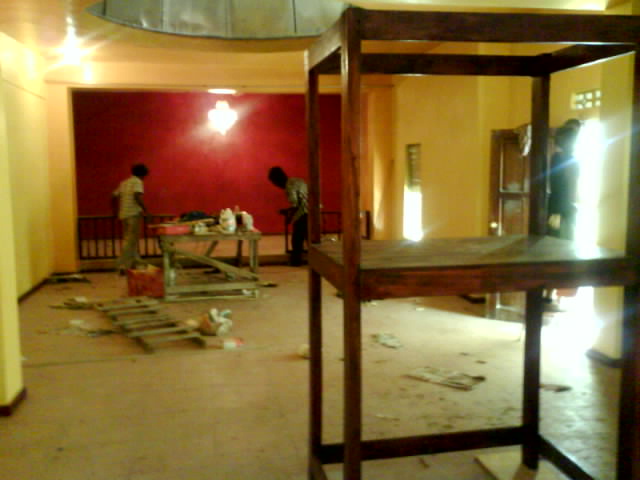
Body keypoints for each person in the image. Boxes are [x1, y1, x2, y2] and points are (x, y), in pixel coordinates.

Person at [112, 163, 150, 274]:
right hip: (133, 214)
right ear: (142, 174)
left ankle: (135, 263)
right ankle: (122, 265)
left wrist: (114, 211)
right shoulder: (137, 182)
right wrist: (146, 211)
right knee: (130, 241)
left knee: (130, 240)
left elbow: (113, 196)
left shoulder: (124, 183)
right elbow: (137, 196)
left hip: (124, 214)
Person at [268, 166, 308, 266]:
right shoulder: (297, 180)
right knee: (309, 238)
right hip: (313, 210)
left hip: (304, 213)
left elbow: (295, 205)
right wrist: (287, 211)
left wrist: (289, 218)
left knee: (297, 239)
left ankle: (296, 262)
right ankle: (315, 261)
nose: (276, 185)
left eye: (274, 183)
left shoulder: (289, 186)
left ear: (277, 180)